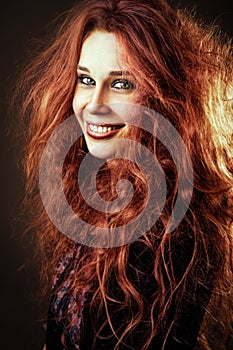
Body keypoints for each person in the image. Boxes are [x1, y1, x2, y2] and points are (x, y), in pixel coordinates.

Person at [15, 0, 233, 349]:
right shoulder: (104, 187)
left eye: (121, 84)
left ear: (165, 95)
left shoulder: (170, 226)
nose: (93, 103)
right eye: (86, 79)